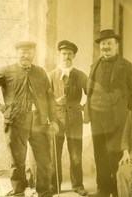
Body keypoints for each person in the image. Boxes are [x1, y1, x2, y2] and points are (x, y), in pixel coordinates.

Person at [0, 41, 59, 197]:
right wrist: (0, 107)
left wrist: (53, 120)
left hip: (40, 122)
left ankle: (44, 192)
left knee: (44, 161)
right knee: (17, 161)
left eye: (29, 52)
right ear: (17, 53)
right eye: (22, 52)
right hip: (16, 122)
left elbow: (50, 97)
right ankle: (18, 192)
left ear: (34, 54)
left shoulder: (40, 72)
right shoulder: (7, 71)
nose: (26, 55)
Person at [85, 29, 132, 197]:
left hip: (117, 117)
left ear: (116, 45)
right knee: (99, 151)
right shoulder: (94, 65)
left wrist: (122, 104)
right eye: (103, 44)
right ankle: (103, 188)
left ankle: (117, 190)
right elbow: (90, 90)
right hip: (96, 115)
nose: (106, 46)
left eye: (109, 43)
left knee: (115, 152)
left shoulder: (126, 65)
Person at [48, 40, 88, 196]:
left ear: (74, 55)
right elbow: (43, 98)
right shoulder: (50, 75)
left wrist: (84, 108)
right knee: (54, 154)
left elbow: (91, 94)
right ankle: (54, 185)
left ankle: (78, 185)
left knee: (76, 154)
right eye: (64, 54)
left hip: (75, 120)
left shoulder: (80, 75)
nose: (67, 56)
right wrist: (55, 101)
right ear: (59, 55)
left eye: (70, 54)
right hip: (56, 120)